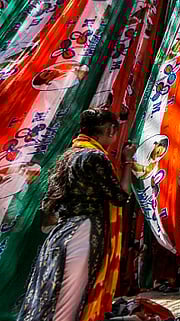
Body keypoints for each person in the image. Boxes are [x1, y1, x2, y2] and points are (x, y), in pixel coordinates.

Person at [17, 108, 134, 321]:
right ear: (109, 130)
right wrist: (128, 162)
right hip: (83, 233)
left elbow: (49, 202)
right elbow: (120, 197)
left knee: (49, 294)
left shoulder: (67, 155)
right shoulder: (96, 157)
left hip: (60, 233)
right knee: (68, 300)